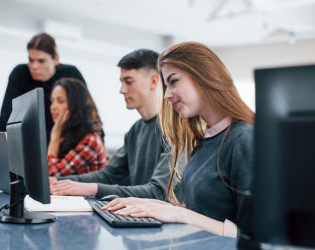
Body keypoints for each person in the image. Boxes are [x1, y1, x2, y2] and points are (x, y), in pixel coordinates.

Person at [102, 42, 254, 238]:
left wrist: (180, 214)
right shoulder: (204, 140)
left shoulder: (244, 138)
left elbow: (254, 236)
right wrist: (154, 205)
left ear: (203, 76)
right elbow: (203, 212)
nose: (166, 95)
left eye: (173, 81)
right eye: (166, 85)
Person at [49, 49, 183, 200]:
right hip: (140, 214)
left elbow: (158, 192)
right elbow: (109, 175)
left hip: (164, 220)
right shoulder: (135, 130)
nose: (122, 90)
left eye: (129, 82)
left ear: (153, 81)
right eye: (122, 82)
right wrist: (57, 182)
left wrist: (92, 189)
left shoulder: (175, 128)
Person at [0, 32, 102, 177]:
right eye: (31, 60)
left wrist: (102, 155)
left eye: (41, 61)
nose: (34, 66)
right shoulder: (20, 73)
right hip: (33, 149)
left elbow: (89, 112)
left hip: (65, 148)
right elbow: (6, 119)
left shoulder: (71, 74)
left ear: (55, 59)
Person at [48, 78, 107, 176]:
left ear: (75, 105)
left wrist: (55, 135)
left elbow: (52, 175)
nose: (52, 107)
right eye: (52, 101)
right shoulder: (68, 136)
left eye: (60, 101)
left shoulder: (90, 140)